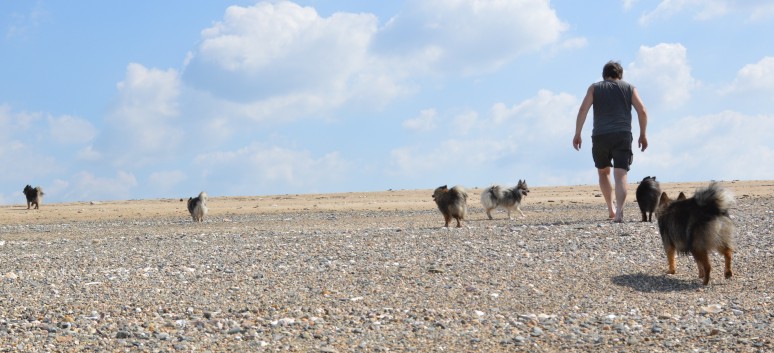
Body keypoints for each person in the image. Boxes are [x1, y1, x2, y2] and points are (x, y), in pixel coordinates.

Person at [573, 61, 648, 223]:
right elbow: (642, 111)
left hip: (600, 135)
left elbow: (582, 110)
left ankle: (611, 209)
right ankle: (620, 212)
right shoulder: (629, 88)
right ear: (620, 75)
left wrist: (577, 133)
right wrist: (643, 134)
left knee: (603, 172)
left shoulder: (594, 88)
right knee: (620, 174)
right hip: (622, 134)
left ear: (604, 74)